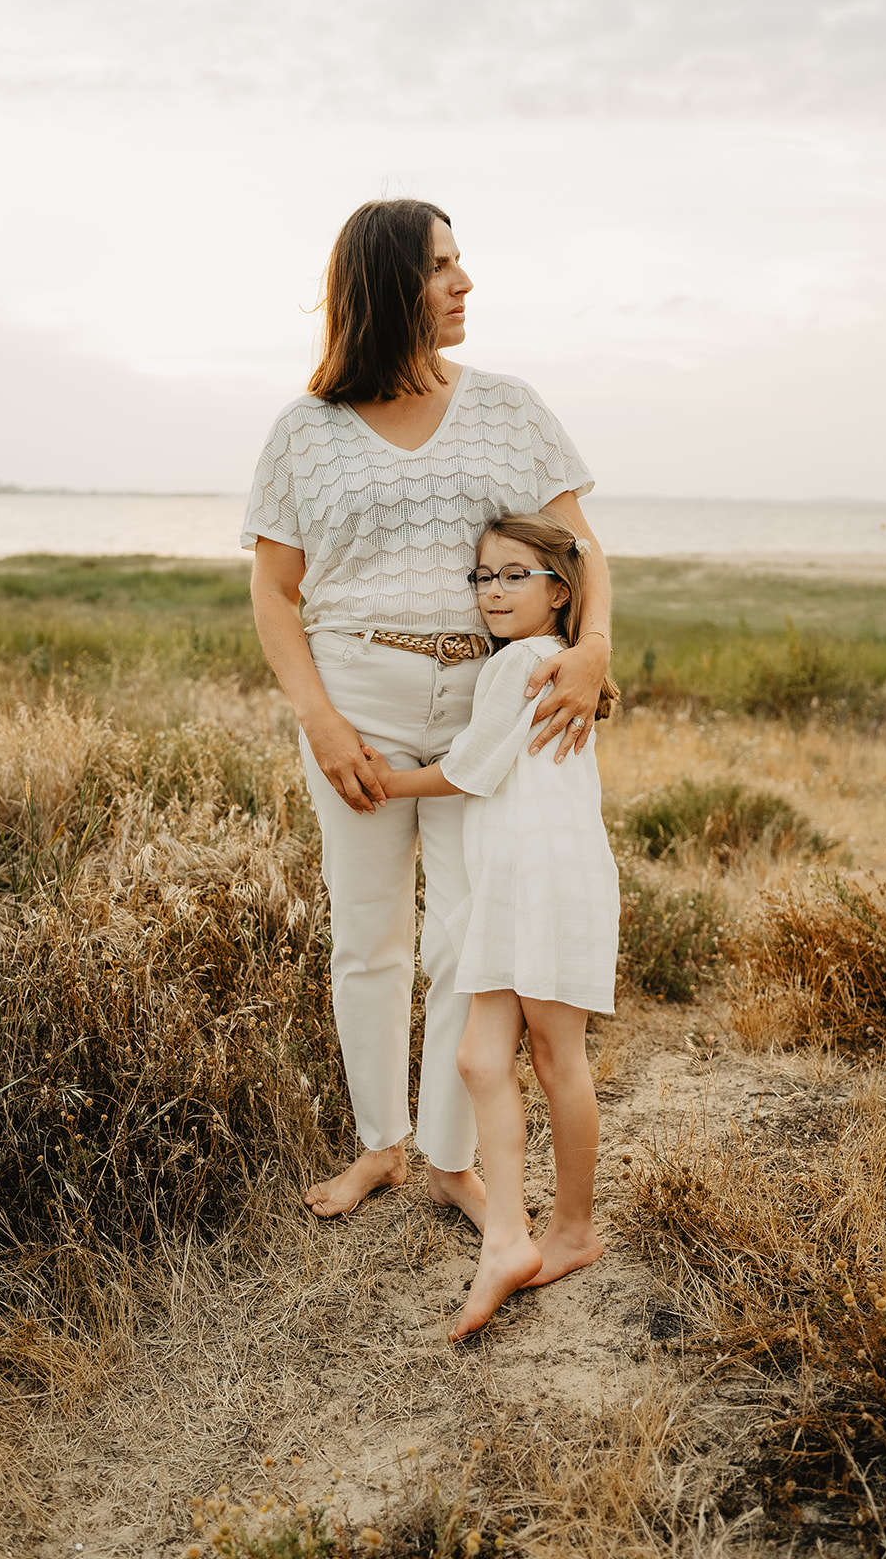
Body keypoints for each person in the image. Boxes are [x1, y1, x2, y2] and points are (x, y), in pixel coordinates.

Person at [242, 198, 613, 1227]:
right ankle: (380, 1144)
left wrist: (588, 651)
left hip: (485, 706)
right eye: (441, 266)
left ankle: (451, 1154)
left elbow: (580, 552)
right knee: (367, 936)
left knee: (464, 938)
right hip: (354, 694)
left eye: (461, 262)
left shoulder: (509, 405)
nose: (463, 284)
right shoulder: (301, 432)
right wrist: (319, 721)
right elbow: (275, 595)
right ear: (383, 285)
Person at [362, 513, 620, 1339]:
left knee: (554, 1055)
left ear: (558, 590)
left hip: (545, 877)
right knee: (480, 1057)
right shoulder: (543, 661)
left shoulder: (525, 663)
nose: (493, 591)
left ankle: (572, 1230)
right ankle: (507, 1236)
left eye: (515, 575)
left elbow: (470, 769)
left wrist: (378, 784)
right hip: (512, 876)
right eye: (482, 576)